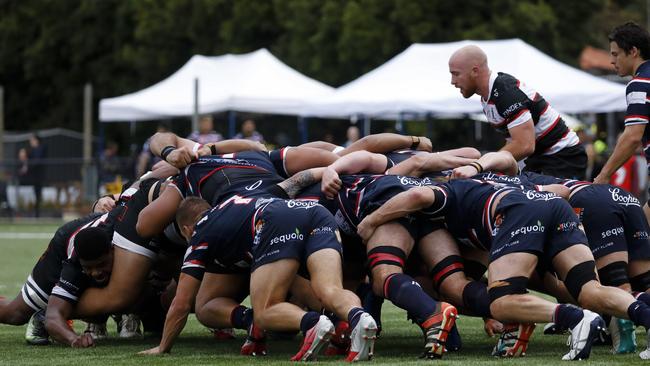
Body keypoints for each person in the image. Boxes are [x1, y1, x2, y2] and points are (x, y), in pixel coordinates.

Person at [448, 45, 587, 179]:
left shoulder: (505, 93)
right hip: (541, 158)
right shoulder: (489, 97)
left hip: (563, 157)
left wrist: (482, 165)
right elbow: (515, 143)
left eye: (456, 74)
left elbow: (525, 145)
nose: (452, 82)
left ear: (475, 71)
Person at [594, 22, 650, 225]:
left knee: (639, 238)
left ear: (633, 51)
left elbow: (633, 136)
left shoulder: (640, 83)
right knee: (641, 234)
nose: (611, 61)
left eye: (616, 54)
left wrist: (603, 175)